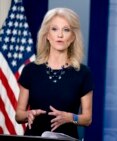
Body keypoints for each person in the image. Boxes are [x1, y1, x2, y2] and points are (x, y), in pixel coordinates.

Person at [15, 7, 94, 139]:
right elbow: (18, 115)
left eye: (66, 30)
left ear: (73, 37)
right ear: (46, 35)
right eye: (54, 29)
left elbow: (87, 119)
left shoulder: (83, 73)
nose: (60, 35)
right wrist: (28, 114)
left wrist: (71, 117)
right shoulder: (31, 70)